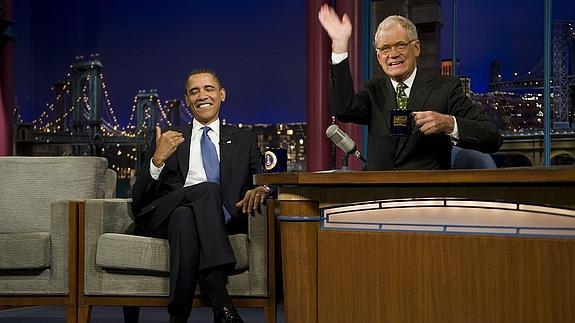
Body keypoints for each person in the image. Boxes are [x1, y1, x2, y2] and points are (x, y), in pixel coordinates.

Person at [130, 68, 271, 323]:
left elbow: (264, 179)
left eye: (209, 89)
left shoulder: (244, 139)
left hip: (215, 222)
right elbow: (139, 201)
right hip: (162, 216)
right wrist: (157, 159)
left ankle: (177, 317)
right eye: (194, 91)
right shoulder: (170, 138)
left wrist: (263, 189)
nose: (202, 96)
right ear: (187, 100)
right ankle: (222, 302)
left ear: (222, 94)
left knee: (185, 217)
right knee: (206, 190)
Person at [318, 4, 502, 170]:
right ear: (378, 56)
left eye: (400, 45)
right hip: (377, 194)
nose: (393, 54)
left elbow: (492, 137)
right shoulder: (373, 91)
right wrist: (340, 46)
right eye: (385, 48)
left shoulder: (445, 89)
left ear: (417, 48)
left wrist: (448, 123)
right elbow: (343, 108)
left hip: (425, 197)